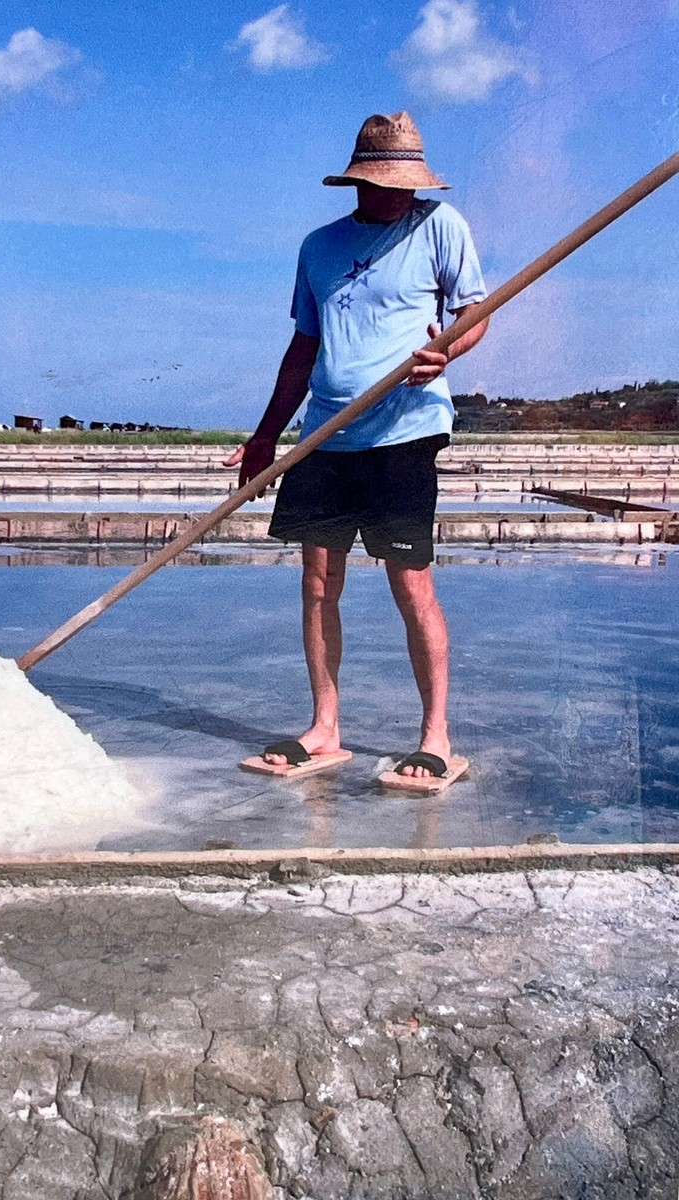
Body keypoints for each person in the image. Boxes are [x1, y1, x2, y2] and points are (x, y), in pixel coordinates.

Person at [226, 112, 489, 781]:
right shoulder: (319, 246)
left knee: (411, 583)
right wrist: (264, 436)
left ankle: (435, 737)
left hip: (404, 430)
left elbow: (475, 315)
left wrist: (446, 352)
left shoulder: (440, 228)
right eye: (383, 181)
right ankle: (324, 728)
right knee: (317, 584)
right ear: (358, 182)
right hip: (324, 432)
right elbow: (303, 348)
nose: (397, 193)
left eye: (406, 181)